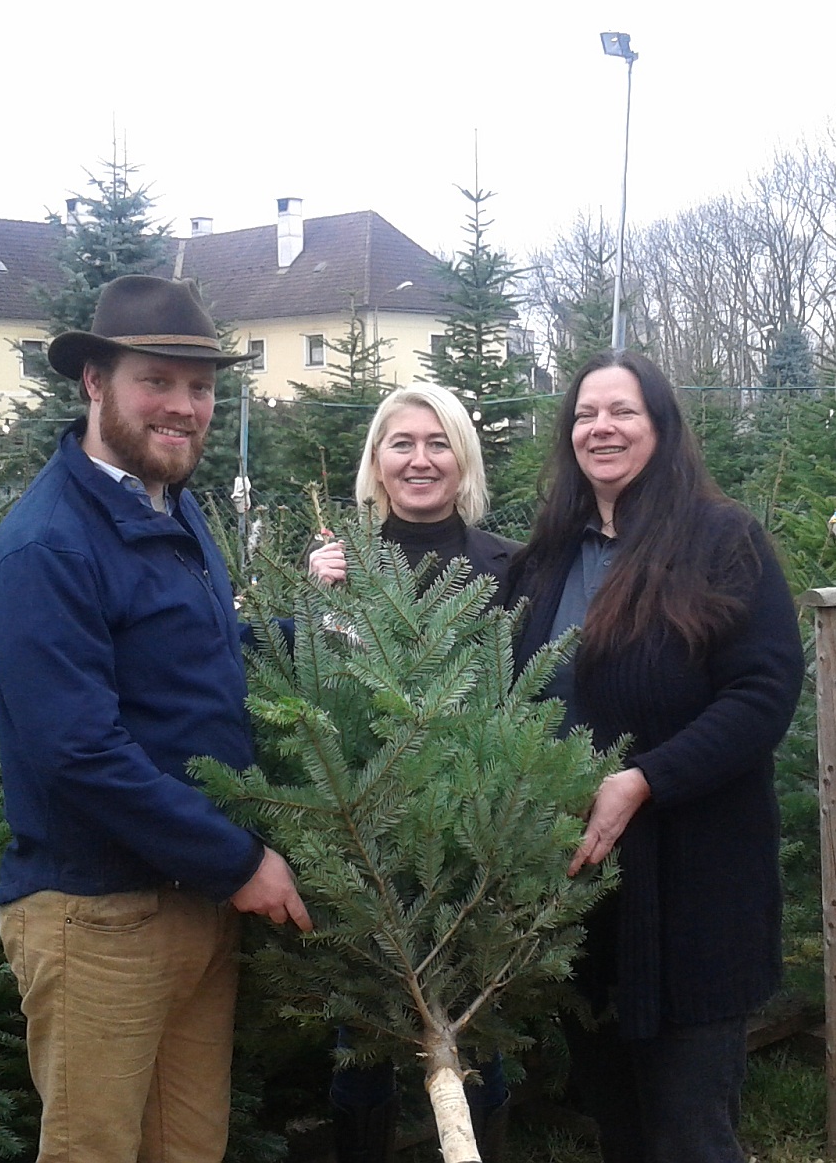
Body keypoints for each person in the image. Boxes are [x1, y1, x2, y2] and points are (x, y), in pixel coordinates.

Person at [0, 275, 313, 1163]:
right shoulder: (48, 545)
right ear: (95, 383)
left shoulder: (168, 502)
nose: (184, 407)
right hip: (99, 917)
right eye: (156, 383)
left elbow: (194, 649)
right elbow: (77, 752)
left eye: (200, 388)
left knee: (188, 1148)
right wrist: (239, 860)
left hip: (194, 903)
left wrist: (310, 640)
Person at [509, 351, 803, 1163]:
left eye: (623, 412)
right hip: (580, 893)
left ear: (662, 428)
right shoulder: (547, 558)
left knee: (688, 1131)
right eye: (584, 415)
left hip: (692, 894)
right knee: (618, 1124)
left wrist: (645, 780)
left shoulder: (722, 540)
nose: (601, 428)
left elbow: (762, 695)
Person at [306, 381, 516, 1162]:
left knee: (480, 1044)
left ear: (463, 460)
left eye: (439, 444)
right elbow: (312, 705)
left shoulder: (508, 569)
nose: (420, 460)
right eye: (403, 443)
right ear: (376, 461)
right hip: (366, 848)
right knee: (358, 1045)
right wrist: (310, 595)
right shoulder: (342, 570)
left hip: (478, 848)